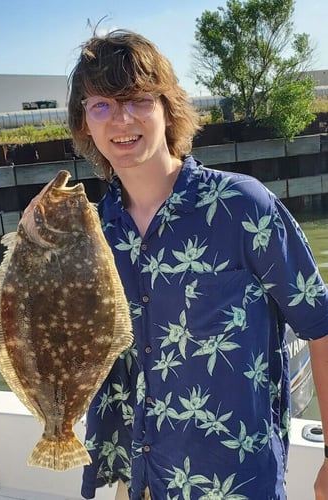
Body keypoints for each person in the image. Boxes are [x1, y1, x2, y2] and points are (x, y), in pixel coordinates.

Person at [68, 29, 328, 500]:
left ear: (167, 108)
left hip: (236, 479)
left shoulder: (243, 206)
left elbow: (321, 325)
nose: (120, 118)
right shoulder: (91, 233)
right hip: (140, 476)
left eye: (137, 99)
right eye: (100, 105)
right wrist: (29, 244)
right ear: (84, 123)